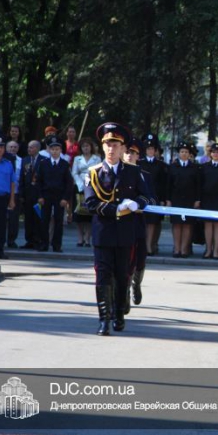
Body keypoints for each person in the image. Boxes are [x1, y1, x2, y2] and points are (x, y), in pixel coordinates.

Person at [84, 122, 151, 335]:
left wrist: (136, 204)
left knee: (122, 274)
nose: (111, 149)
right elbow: (90, 203)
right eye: (107, 145)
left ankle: (119, 314)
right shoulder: (93, 173)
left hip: (125, 233)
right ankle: (103, 319)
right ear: (102, 147)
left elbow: (145, 196)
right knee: (103, 275)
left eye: (115, 145)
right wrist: (116, 209)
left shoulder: (133, 171)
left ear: (123, 148)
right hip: (103, 233)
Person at [122, 137, 155, 309]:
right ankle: (125, 291)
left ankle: (136, 283)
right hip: (121, 221)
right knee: (126, 258)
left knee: (140, 257)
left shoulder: (145, 175)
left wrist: (146, 203)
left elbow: (151, 197)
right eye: (127, 152)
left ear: (138, 156)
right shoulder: (117, 172)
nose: (129, 155)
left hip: (138, 221)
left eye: (133, 153)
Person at [35, 135, 73, 252]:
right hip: (46, 196)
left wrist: (65, 198)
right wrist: (40, 196)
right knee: (44, 221)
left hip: (59, 196)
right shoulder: (43, 163)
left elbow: (69, 183)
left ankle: (57, 245)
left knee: (58, 221)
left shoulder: (64, 164)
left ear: (61, 150)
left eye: (57, 149)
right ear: (49, 150)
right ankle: (44, 244)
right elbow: (38, 181)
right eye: (52, 149)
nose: (55, 151)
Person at [167, 142, 201, 258]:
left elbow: (198, 185)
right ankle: (176, 249)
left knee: (187, 225)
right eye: (182, 152)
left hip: (189, 200)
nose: (184, 154)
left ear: (189, 154)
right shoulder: (172, 167)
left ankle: (184, 249)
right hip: (176, 199)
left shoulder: (194, 167)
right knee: (176, 224)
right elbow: (168, 185)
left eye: (186, 152)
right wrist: (168, 199)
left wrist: (197, 199)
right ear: (178, 154)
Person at [139, 133, 168, 255]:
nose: (150, 151)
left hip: (155, 197)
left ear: (155, 150)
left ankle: (149, 246)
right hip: (142, 196)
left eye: (152, 149)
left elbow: (163, 183)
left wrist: (162, 198)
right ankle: (144, 245)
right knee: (143, 222)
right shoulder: (139, 163)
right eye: (148, 149)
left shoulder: (160, 165)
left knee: (153, 223)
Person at [71, 138, 102, 247]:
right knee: (78, 213)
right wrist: (80, 184)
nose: (86, 148)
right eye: (83, 146)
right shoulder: (77, 159)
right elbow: (74, 172)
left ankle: (87, 237)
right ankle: (80, 237)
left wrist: (90, 185)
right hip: (79, 186)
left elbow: (99, 173)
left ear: (91, 147)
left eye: (87, 146)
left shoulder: (97, 159)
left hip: (92, 186)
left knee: (89, 214)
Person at [20, 141, 43, 249]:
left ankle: (37, 240)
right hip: (27, 194)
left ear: (37, 148)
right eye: (28, 147)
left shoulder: (43, 160)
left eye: (32, 147)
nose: (29, 149)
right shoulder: (25, 160)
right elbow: (22, 178)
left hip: (38, 195)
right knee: (28, 219)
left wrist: (42, 195)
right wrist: (21, 194)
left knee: (38, 218)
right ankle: (29, 240)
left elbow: (44, 179)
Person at [4, 141, 24, 248]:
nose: (13, 148)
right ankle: (0, 239)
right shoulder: (3, 160)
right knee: (2, 218)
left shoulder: (22, 161)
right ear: (6, 148)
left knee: (14, 219)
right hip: (3, 192)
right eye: (10, 146)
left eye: (15, 147)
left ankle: (11, 240)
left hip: (16, 193)